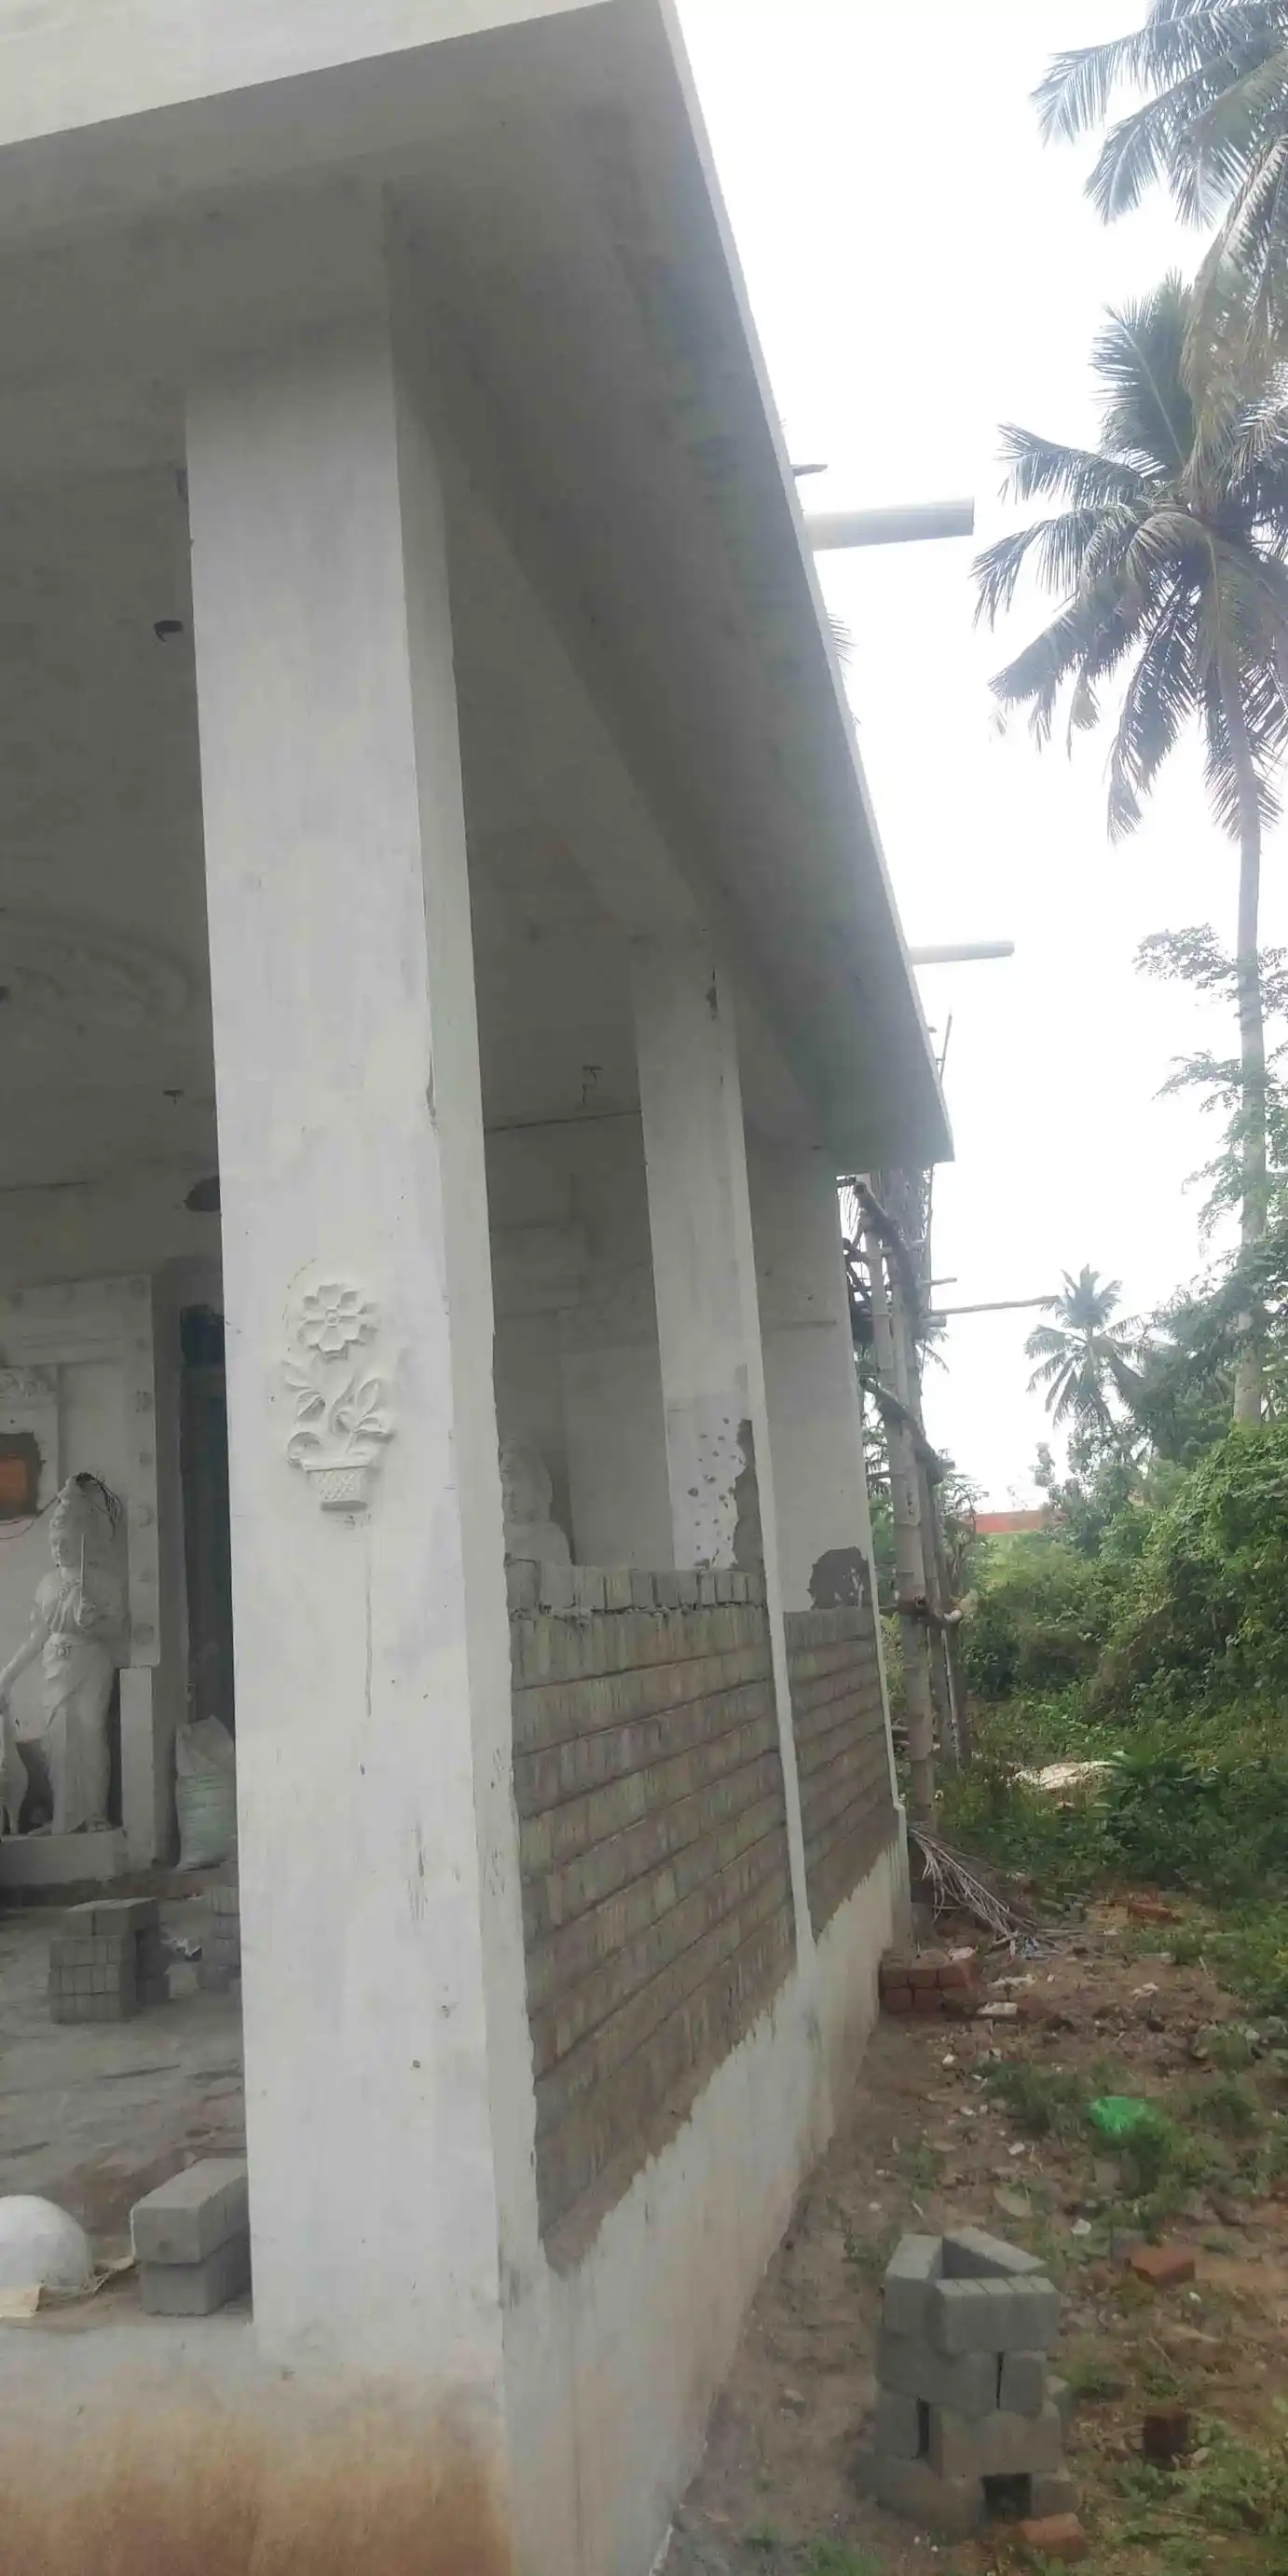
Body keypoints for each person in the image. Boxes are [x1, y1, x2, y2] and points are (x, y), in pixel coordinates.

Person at [0, 1475, 127, 1834]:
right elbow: (37, 1636)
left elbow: (117, 1629)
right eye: (55, 1542)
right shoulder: (46, 1585)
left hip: (91, 1663)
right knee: (59, 1736)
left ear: (83, 1540)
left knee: (88, 1733)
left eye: (66, 1542)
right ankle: (64, 1817)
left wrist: (93, 1621)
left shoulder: (102, 1581)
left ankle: (94, 1814)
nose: (59, 1548)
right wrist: (7, 1676)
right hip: (56, 1666)